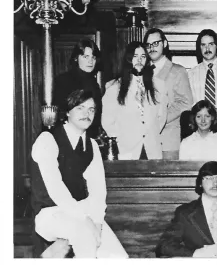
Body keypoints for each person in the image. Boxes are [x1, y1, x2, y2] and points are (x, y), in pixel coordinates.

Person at [30, 89, 128, 258]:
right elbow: (57, 191)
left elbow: (98, 191)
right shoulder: (47, 139)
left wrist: (97, 222)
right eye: (80, 108)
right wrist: (87, 221)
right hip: (49, 213)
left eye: (91, 109)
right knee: (86, 238)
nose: (87, 114)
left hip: (81, 213)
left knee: (117, 257)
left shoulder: (92, 145)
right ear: (67, 112)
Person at [101, 42, 169, 160]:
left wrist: (149, 133)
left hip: (152, 149)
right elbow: (107, 122)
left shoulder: (159, 86)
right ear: (128, 58)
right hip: (127, 150)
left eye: (143, 56)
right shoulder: (114, 87)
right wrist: (122, 138)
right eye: (135, 56)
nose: (139, 60)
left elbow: (161, 117)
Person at [144, 28, 194, 160]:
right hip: (145, 142)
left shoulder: (177, 71)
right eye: (148, 45)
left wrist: (160, 118)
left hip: (168, 141)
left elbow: (185, 103)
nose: (151, 48)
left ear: (164, 44)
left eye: (156, 43)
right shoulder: (142, 72)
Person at [53, 39, 103, 138]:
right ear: (76, 58)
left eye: (93, 57)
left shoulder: (94, 84)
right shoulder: (63, 80)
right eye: (86, 57)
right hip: (67, 136)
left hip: (89, 137)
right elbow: (59, 114)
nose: (90, 61)